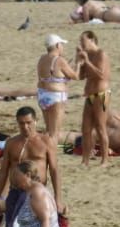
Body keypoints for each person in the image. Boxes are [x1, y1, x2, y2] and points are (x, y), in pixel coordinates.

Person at [0, 106, 64, 227]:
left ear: (36, 121)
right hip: (15, 192)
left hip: (36, 193)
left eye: (29, 122)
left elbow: (55, 170)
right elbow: (3, 172)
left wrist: (58, 198)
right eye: (21, 123)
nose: (25, 127)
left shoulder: (46, 141)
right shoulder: (11, 143)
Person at [76, 29, 111, 166]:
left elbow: (101, 75)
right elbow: (80, 77)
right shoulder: (87, 55)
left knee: (100, 128)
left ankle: (105, 160)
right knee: (85, 129)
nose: (81, 43)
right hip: (89, 95)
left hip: (102, 95)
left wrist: (87, 61)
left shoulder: (101, 54)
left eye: (83, 40)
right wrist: (79, 60)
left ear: (91, 40)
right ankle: (85, 160)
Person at [38, 33, 79, 145]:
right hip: (55, 96)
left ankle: (46, 154)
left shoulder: (42, 59)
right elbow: (75, 76)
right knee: (55, 133)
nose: (62, 47)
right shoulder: (59, 60)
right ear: (57, 45)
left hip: (42, 95)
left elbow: (50, 77)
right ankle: (51, 157)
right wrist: (79, 63)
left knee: (49, 131)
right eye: (61, 44)